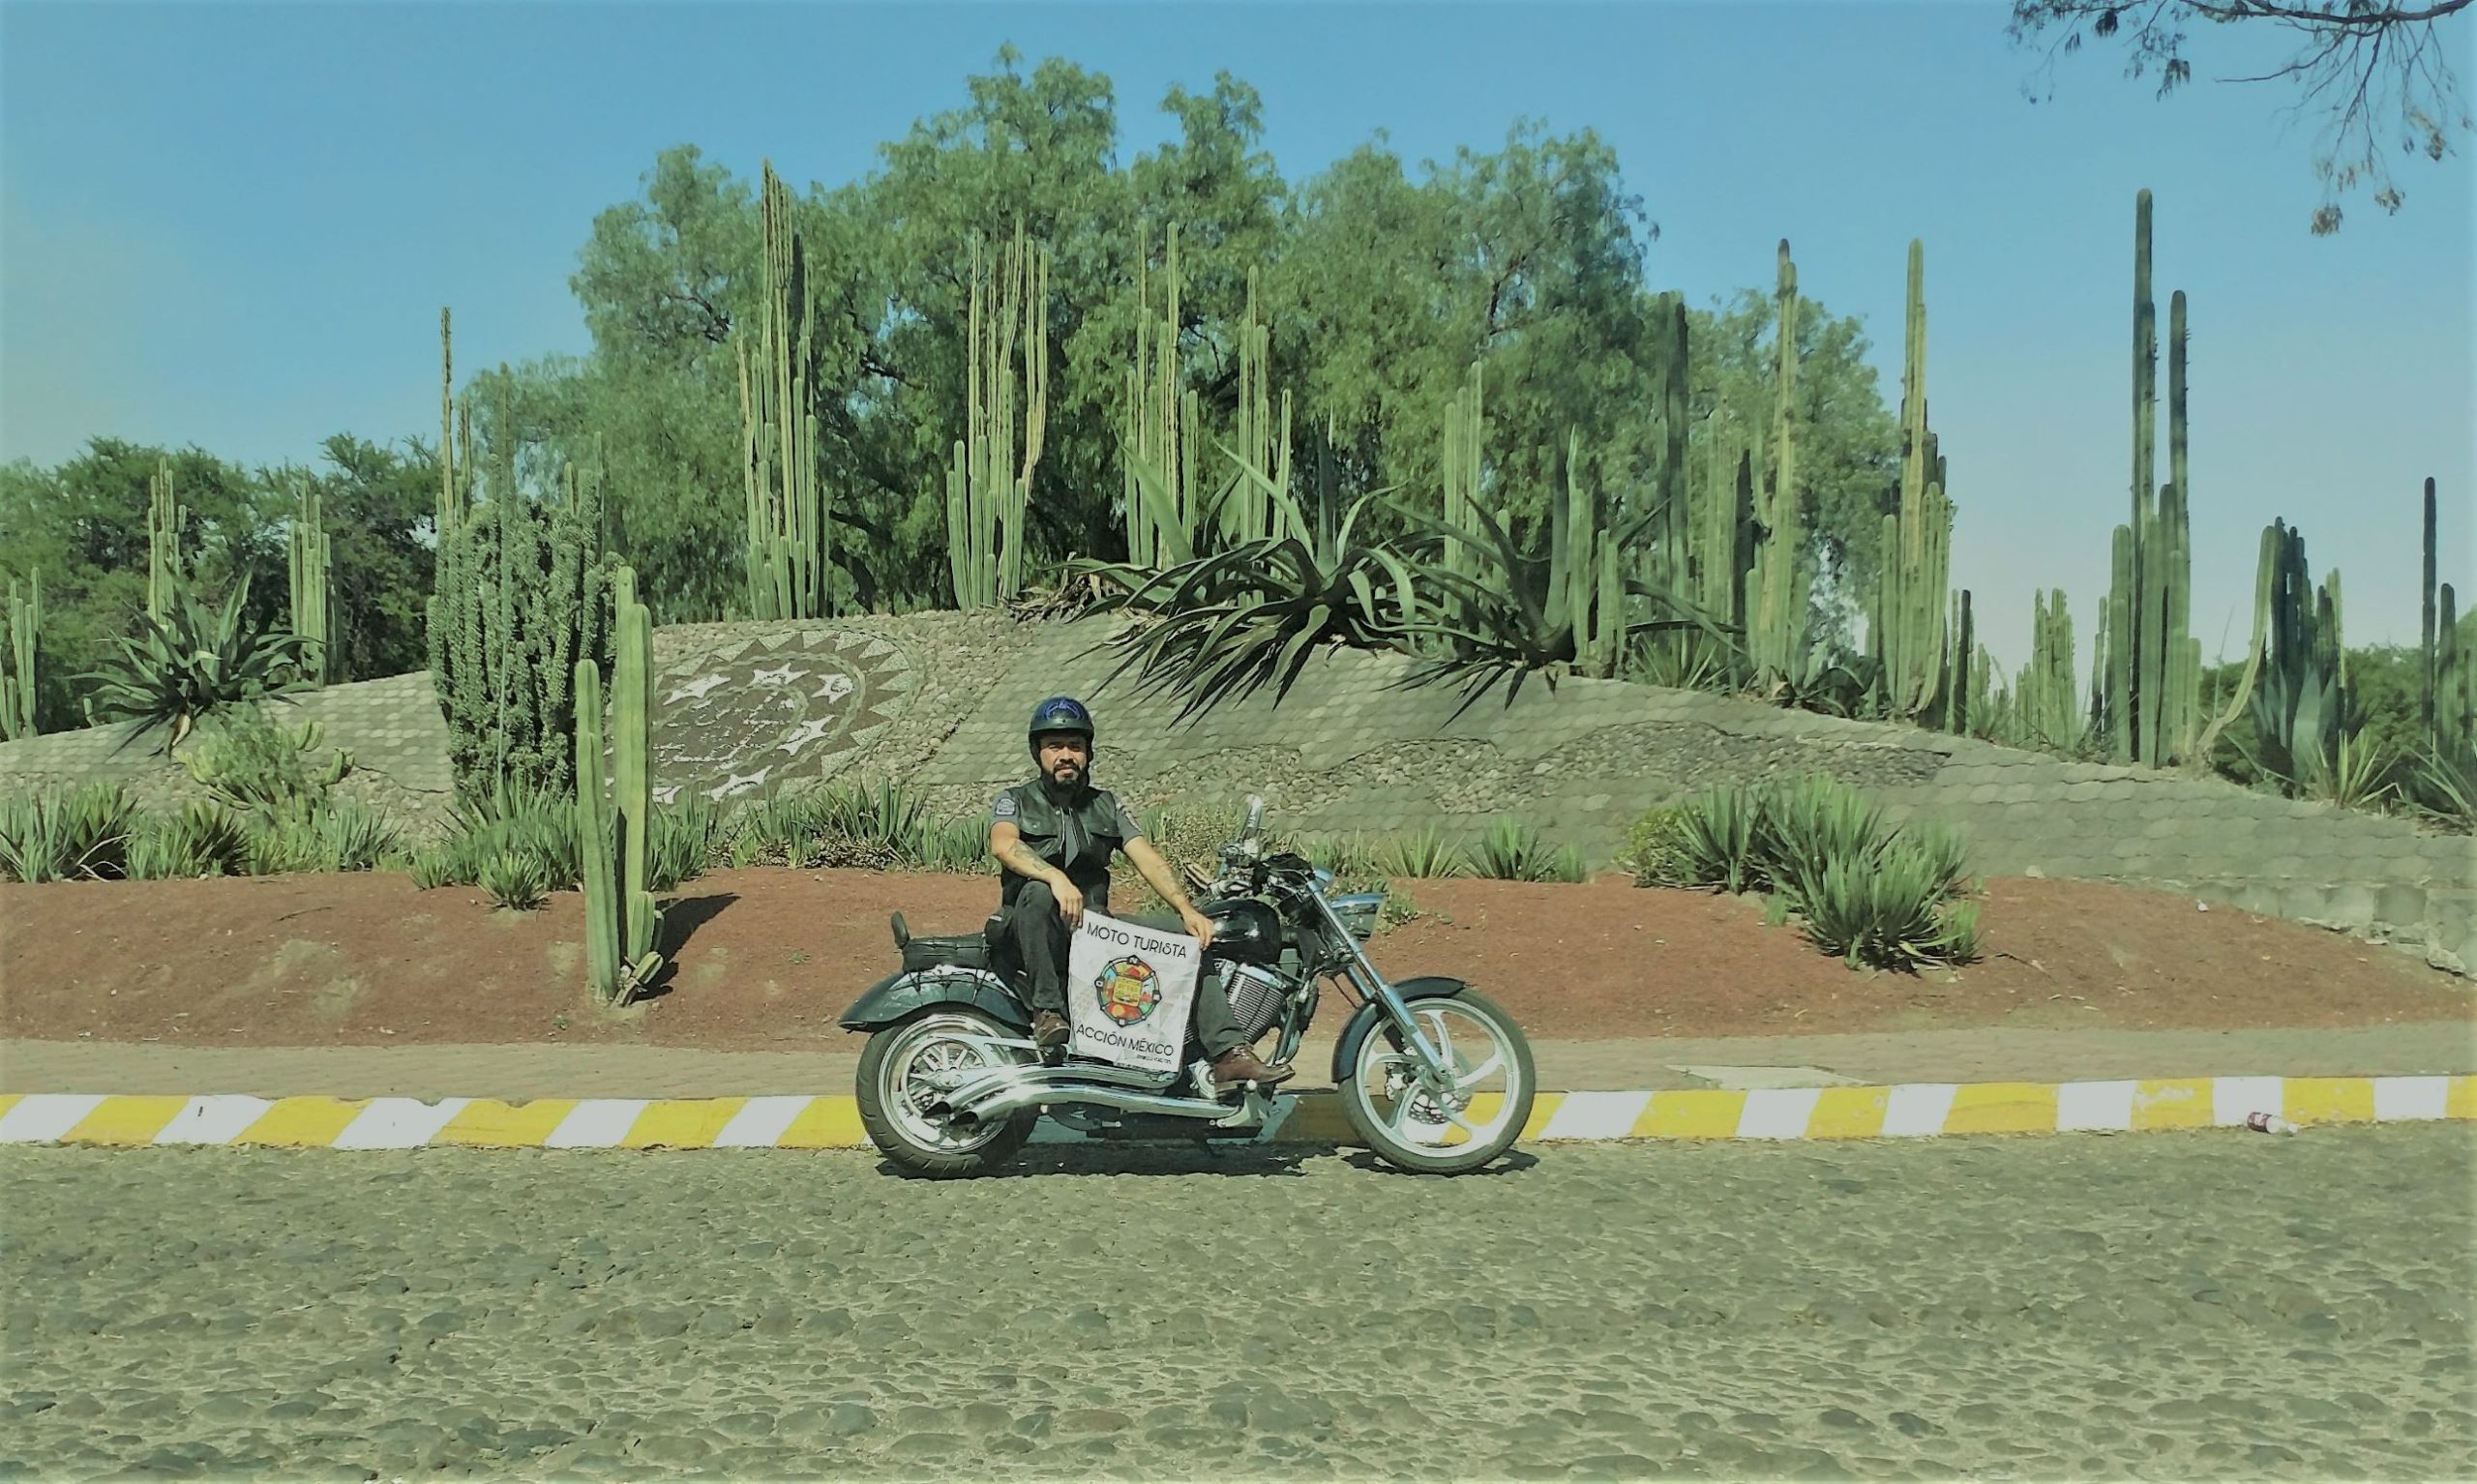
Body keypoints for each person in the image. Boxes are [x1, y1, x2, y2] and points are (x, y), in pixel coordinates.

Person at [986, 696, 1295, 1090]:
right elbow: (1004, 844)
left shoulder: (1105, 805)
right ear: (1038, 753)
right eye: (1055, 746)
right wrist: (1055, 877)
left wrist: (1187, 909)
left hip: (1092, 929)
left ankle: (1228, 1055)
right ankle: (1048, 1013)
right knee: (1038, 893)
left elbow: (1147, 858)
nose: (1066, 755)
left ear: (1088, 753)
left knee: (1190, 939)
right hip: (1031, 930)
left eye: (1075, 747)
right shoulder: (1015, 799)